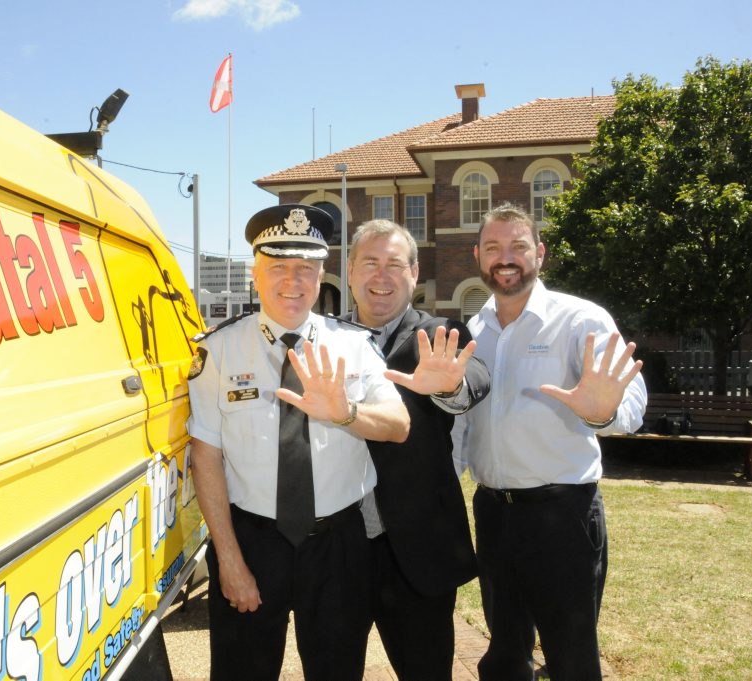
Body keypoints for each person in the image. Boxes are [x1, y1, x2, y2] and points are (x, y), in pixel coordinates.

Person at [388, 203, 647, 681]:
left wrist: (601, 412)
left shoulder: (581, 320)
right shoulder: (474, 330)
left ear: (540, 254)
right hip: (494, 514)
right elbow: (464, 424)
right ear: (477, 257)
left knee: (571, 656)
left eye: (518, 247)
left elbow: (630, 405)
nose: (505, 258)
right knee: (505, 654)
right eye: (493, 248)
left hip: (563, 515)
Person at [187, 204, 411, 681]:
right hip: (251, 540)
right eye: (278, 268)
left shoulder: (354, 345)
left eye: (306, 268)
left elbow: (398, 425)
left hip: (338, 546)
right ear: (255, 274)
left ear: (321, 275)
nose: (293, 281)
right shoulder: (218, 350)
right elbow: (205, 456)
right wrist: (229, 559)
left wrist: (346, 413)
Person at [344, 219, 491, 681]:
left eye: (394, 264)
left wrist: (450, 387)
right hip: (339, 548)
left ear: (414, 273)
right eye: (370, 262)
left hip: (418, 551)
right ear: (349, 271)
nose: (381, 276)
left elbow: (474, 378)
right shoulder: (322, 339)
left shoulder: (439, 334)